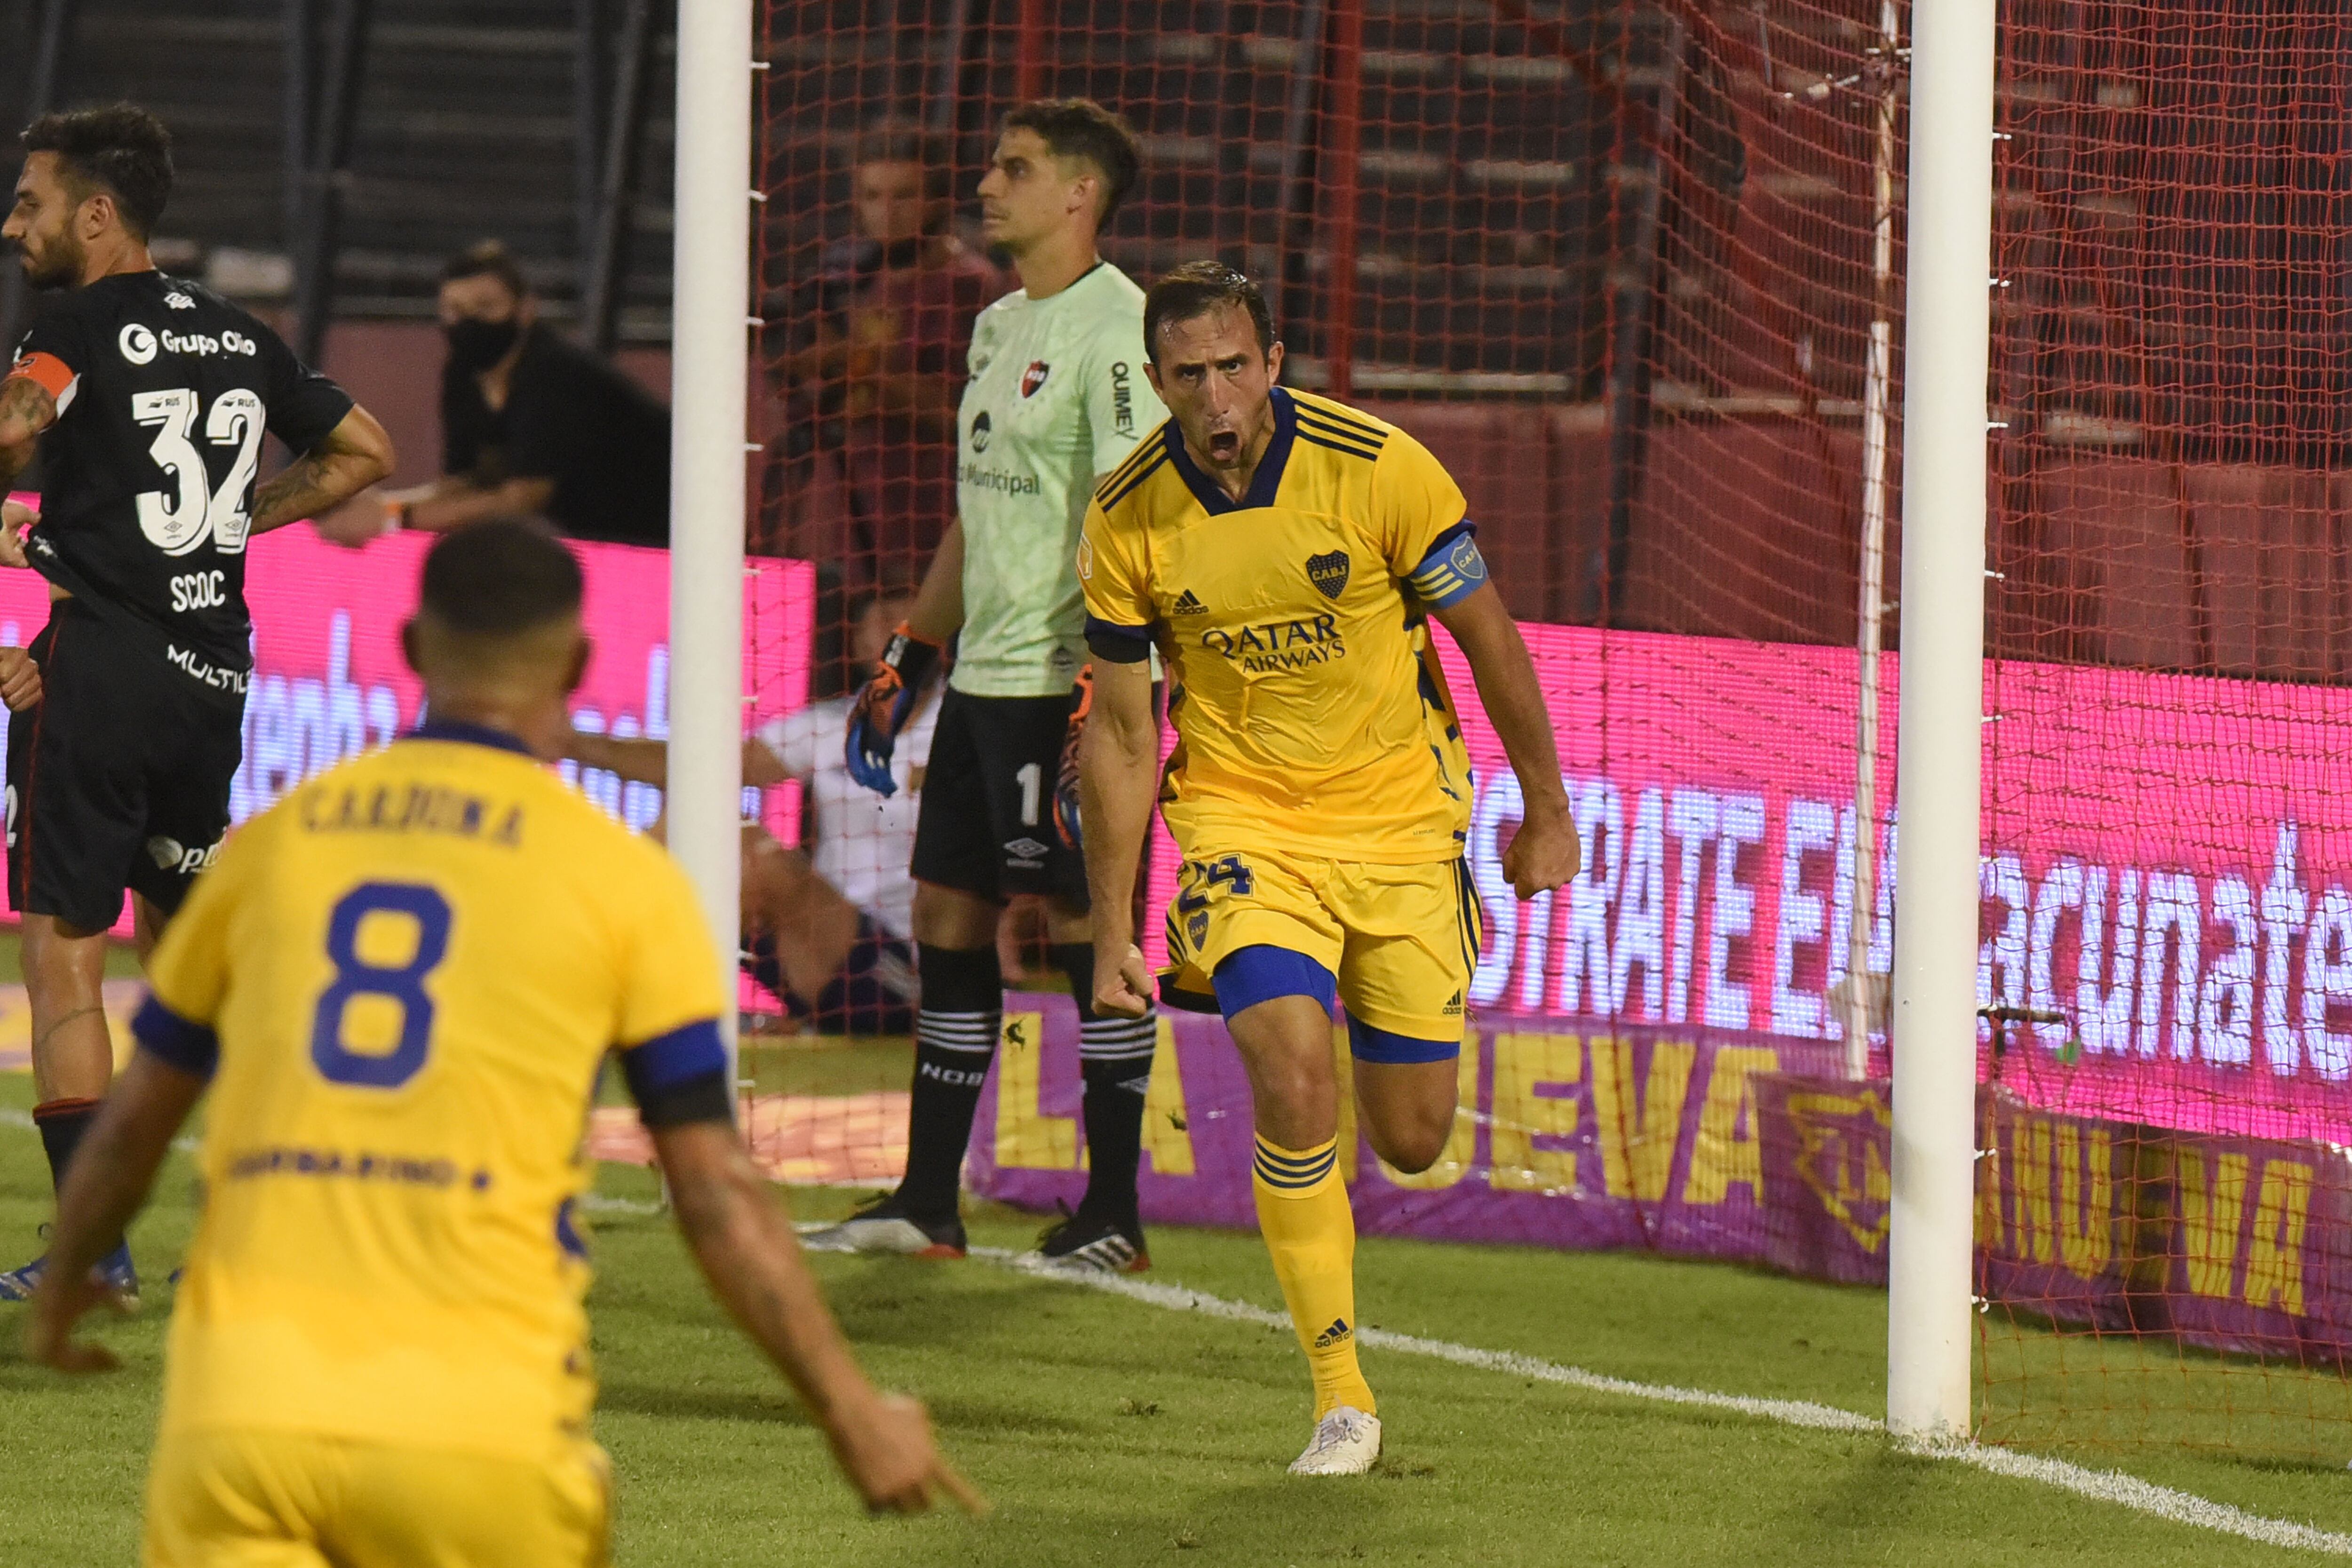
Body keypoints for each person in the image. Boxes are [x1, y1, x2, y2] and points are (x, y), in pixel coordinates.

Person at [21, 519, 982, 1562]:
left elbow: (138, 1122)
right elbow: (711, 1187)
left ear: (413, 648)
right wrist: (848, 1407)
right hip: (478, 1434)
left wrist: (72, 1273)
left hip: (244, 1422)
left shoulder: (279, 846)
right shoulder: (620, 883)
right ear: (574, 666)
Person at [1075, 263, 1581, 1474]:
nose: (1215, 393)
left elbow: (1488, 639)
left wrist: (1545, 810)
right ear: (1156, 383)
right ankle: (1341, 1396)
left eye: (1233, 365)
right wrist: (1108, 929)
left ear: (1274, 360)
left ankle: (1364, 1081)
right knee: (1296, 1074)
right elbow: (1122, 728)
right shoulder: (1127, 514)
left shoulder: (1376, 468)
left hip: (1403, 827)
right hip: (1246, 831)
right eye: (1188, 373)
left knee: (1410, 1139)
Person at [0, 103, 394, 1302]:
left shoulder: (62, 329)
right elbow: (362, 450)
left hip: (105, 671)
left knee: (65, 955)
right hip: (213, 679)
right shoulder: (239, 335)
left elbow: (18, 427)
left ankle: (93, 1252)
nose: (16, 222)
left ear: (97, 215)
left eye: (32, 201)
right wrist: (232, 524)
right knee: (189, 965)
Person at [804, 99, 1165, 1274]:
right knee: (947, 917)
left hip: (1070, 686)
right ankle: (926, 1199)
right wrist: (911, 651)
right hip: (978, 680)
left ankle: (1112, 1211)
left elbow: (1135, 520)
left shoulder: (1122, 332)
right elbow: (977, 514)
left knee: (1085, 926)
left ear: (1079, 195)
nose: (986, 184)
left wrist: (1099, 693)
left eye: (1014, 169)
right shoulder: (997, 324)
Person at [566, 589, 938, 1033]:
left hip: (904, 971)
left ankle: (648, 1014)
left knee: (753, 854)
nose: (888, 635)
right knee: (694, 822)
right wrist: (576, 744)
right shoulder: (831, 725)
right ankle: (592, 980)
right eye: (876, 623)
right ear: (857, 643)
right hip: (818, 953)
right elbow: (707, 771)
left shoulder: (960, 724)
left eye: (902, 622)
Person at [759, 119, 1006, 583]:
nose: (886, 212)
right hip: (848, 507)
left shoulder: (967, 286)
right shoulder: (845, 277)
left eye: (903, 196)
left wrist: (856, 363)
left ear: (935, 199)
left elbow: (964, 414)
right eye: (872, 196)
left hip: (933, 515)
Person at [340, 240, 669, 548]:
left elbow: (523, 499)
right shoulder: (464, 374)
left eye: (486, 306)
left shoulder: (552, 374)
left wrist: (392, 517)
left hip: (665, 528)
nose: (469, 322)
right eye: (455, 309)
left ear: (525, 310)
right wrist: (377, 504)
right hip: (607, 538)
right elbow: (464, 483)